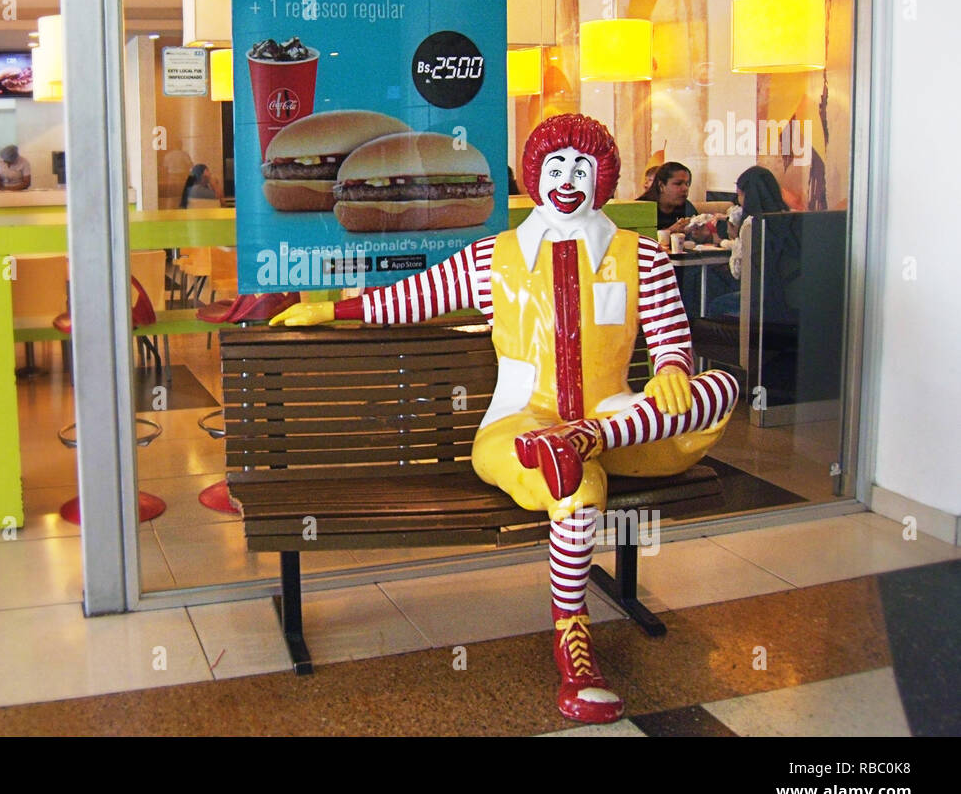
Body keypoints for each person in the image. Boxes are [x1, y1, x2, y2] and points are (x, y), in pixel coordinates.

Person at [271, 114, 739, 724]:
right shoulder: (494, 257)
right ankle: (573, 639)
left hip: (617, 420)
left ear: (602, 178)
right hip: (519, 428)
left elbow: (672, 338)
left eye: (581, 168)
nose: (566, 180)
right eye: (554, 167)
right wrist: (333, 311)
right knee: (576, 489)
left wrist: (673, 370)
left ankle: (585, 437)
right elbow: (414, 296)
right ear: (536, 176)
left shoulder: (641, 256)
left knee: (721, 388)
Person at [705, 165, 795, 320]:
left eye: (739, 195)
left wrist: (736, 237)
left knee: (715, 304)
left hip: (761, 299)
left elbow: (738, 271)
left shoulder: (751, 224)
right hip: (787, 296)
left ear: (747, 195)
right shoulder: (790, 217)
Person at [638, 161, 698, 232]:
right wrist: (670, 231)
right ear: (661, 186)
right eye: (678, 183)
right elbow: (638, 237)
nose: (685, 188)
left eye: (687, 184)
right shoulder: (641, 208)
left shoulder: (687, 207)